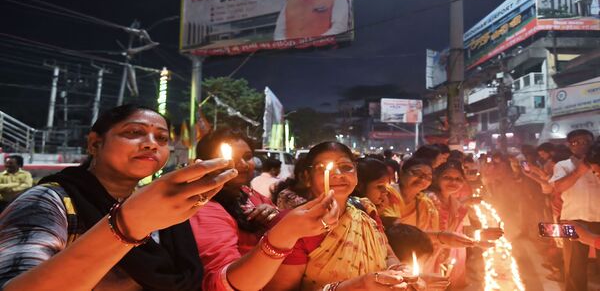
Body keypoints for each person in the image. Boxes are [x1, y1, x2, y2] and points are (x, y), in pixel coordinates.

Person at [0, 104, 239, 290]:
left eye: (162, 138)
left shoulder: (162, 206)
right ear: (95, 143)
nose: (151, 144)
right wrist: (127, 226)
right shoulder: (49, 202)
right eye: (135, 132)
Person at [189, 128, 340, 290]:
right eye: (230, 158)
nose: (242, 165)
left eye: (247, 157)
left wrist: (275, 216)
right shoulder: (204, 208)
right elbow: (221, 283)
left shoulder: (248, 193)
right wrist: (285, 233)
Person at [266, 142, 409, 291]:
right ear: (307, 177)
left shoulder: (366, 210)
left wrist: (400, 272)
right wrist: (354, 286)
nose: (337, 174)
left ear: (356, 174)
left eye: (346, 167)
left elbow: (387, 255)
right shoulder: (292, 225)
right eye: (323, 168)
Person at [549, 129, 600, 291]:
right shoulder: (562, 165)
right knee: (573, 266)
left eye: (586, 141)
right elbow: (559, 186)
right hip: (571, 219)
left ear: (592, 143)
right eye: (576, 142)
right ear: (569, 146)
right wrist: (580, 170)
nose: (581, 145)